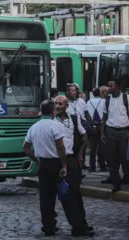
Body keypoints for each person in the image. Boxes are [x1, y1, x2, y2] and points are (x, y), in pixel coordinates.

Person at [23, 100, 67, 236]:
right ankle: (53, 222)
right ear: (53, 111)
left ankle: (47, 224)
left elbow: (25, 147)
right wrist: (64, 164)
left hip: (42, 164)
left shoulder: (34, 127)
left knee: (44, 195)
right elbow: (60, 147)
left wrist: (36, 160)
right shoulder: (55, 126)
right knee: (54, 194)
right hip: (54, 163)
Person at [54, 96, 95, 237]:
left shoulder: (73, 118)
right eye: (56, 103)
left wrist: (80, 153)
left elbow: (84, 136)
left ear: (66, 106)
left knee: (76, 193)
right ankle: (77, 226)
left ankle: (81, 223)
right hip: (59, 161)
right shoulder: (51, 121)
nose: (58, 106)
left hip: (72, 159)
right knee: (67, 195)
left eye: (60, 103)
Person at [101, 79, 129, 192]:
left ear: (117, 86)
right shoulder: (107, 100)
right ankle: (115, 183)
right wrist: (103, 132)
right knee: (112, 158)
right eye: (108, 86)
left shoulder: (126, 98)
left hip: (124, 131)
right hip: (110, 131)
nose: (108, 88)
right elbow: (104, 117)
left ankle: (126, 178)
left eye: (111, 86)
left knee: (124, 157)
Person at [86, 88, 107, 172]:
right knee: (102, 147)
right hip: (101, 125)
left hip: (92, 125)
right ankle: (102, 165)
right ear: (100, 93)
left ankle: (92, 166)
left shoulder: (88, 102)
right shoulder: (104, 101)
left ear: (93, 93)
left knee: (92, 147)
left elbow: (87, 113)